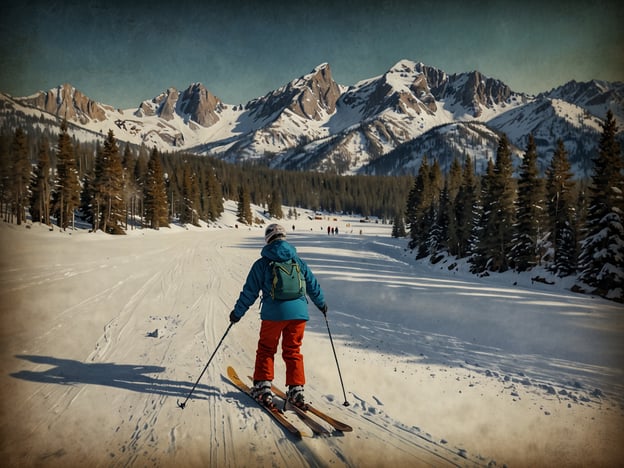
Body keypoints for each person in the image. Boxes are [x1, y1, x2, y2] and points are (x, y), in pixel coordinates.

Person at [229, 223, 328, 410]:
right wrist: (321, 304)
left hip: (273, 316)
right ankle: (296, 391)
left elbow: (249, 292)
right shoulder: (297, 261)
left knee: (266, 349)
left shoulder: (262, 263)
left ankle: (262, 387)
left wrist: (237, 313)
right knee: (293, 351)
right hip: (299, 315)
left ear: (268, 239)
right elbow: (313, 285)